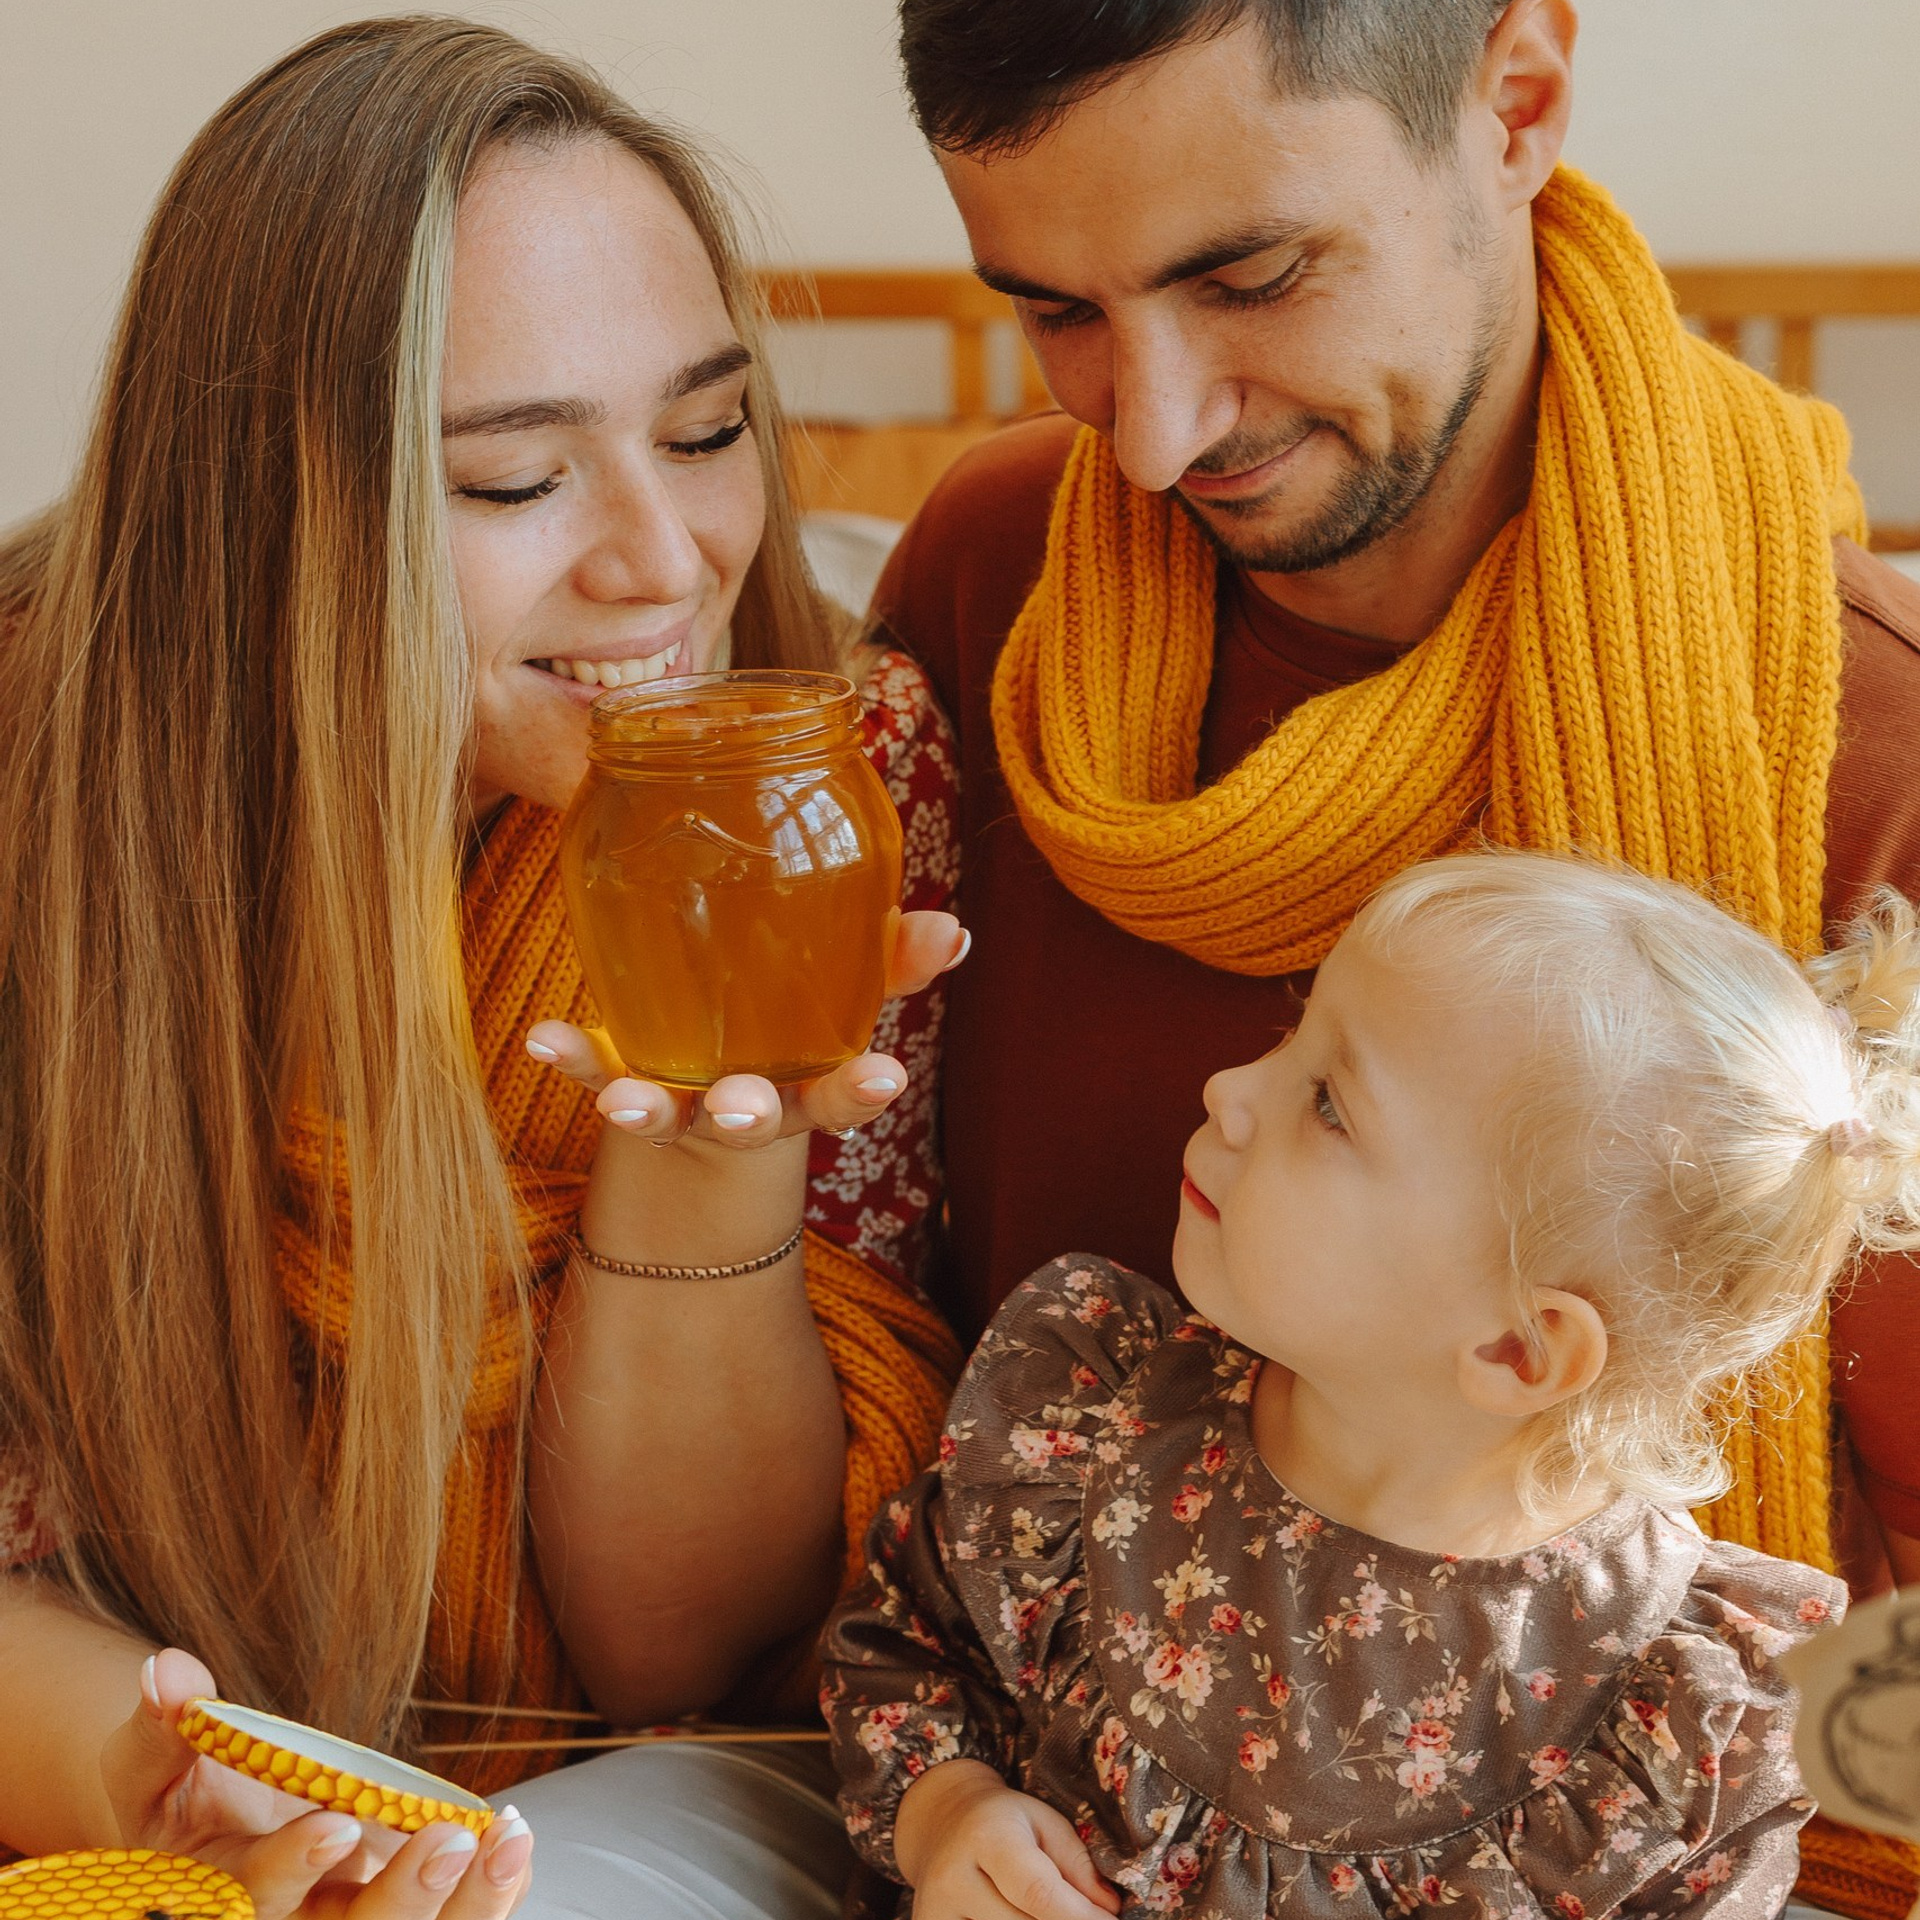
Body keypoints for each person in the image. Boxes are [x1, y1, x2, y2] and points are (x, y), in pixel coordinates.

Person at [871, 6, 1920, 1907]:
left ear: (1515, 100)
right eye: (1056, 312)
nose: (1156, 431)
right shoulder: (986, 577)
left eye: (1252, 275)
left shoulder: (1878, 759)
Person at [0, 18, 964, 1918]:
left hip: (648, 1797)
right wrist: (161, 1777)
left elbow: (686, 1661)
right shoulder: (44, 812)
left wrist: (704, 1158)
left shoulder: (836, 789)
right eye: (519, 480)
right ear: (261, 505)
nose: (665, 562)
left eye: (708, 433)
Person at [823, 850, 1920, 1920]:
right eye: (1292, 1035)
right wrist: (949, 1816)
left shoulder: (1663, 1709)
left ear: (1517, 1350)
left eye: (1331, 1105)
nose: (1228, 1089)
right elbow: (909, 1645)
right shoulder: (1098, 1418)